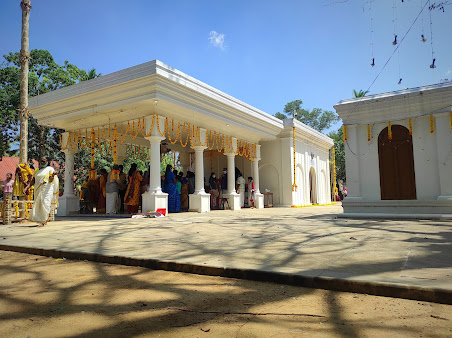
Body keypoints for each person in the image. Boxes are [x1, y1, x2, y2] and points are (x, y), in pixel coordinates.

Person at [25, 157, 59, 227]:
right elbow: (33, 181)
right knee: (39, 205)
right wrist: (26, 188)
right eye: (41, 161)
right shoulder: (37, 170)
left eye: (44, 161)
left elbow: (50, 180)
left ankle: (43, 221)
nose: (42, 162)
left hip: (46, 189)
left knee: (45, 204)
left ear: (47, 162)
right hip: (37, 190)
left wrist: (52, 175)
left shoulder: (50, 169)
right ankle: (41, 219)